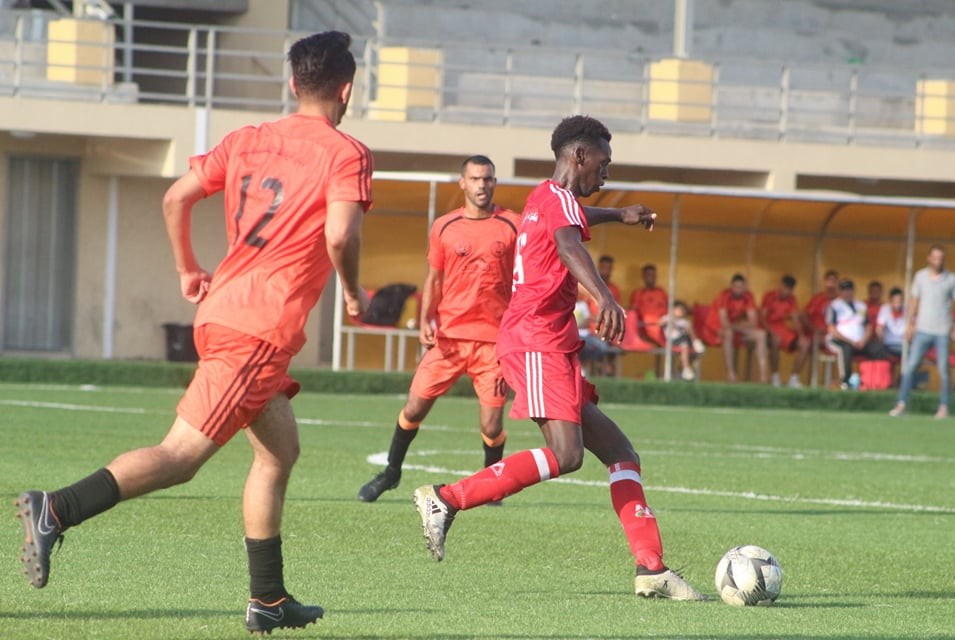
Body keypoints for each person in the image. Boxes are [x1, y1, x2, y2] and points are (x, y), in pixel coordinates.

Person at [14, 31, 371, 635]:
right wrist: (355, 292)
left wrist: (187, 268)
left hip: (226, 314)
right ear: (347, 89)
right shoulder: (347, 153)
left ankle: (268, 599)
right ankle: (57, 508)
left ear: (293, 83)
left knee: (279, 452)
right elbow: (340, 235)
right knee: (180, 458)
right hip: (257, 330)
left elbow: (177, 197)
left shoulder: (246, 139)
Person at [412, 115, 706, 601]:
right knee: (568, 455)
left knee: (622, 455)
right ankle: (447, 498)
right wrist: (604, 297)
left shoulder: (544, 198)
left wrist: (619, 214)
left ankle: (651, 569)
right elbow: (569, 243)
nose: (606, 173)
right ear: (580, 156)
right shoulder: (558, 204)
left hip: (549, 343)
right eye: (603, 163)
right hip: (536, 340)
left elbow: (573, 221)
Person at [356, 155, 518, 502]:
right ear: (463, 183)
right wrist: (425, 320)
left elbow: (527, 278)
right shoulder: (445, 226)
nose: (482, 185)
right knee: (414, 408)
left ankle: (492, 488)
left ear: (494, 182)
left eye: (487, 179)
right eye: (475, 179)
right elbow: (434, 278)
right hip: (448, 338)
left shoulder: (513, 225)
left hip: (493, 343)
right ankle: (391, 473)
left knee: (491, 426)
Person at [890, 245, 955, 418]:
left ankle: (944, 407)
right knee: (910, 366)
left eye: (941, 258)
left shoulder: (951, 279)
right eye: (935, 258)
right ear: (928, 258)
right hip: (922, 329)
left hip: (942, 330)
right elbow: (914, 301)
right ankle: (902, 403)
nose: (938, 261)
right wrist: (909, 324)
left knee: (943, 369)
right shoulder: (920, 276)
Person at [701, 273, 769, 383]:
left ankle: (763, 375)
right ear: (731, 286)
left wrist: (737, 326)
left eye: (741, 287)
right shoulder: (724, 296)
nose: (738, 290)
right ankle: (731, 374)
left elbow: (753, 322)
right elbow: (724, 322)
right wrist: (741, 325)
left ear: (745, 287)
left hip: (735, 327)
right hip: (715, 328)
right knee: (728, 333)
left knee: (761, 334)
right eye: (736, 287)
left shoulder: (748, 296)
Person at [825, 279, 889, 389]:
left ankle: (875, 382)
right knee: (845, 349)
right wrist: (850, 341)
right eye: (844, 290)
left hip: (860, 341)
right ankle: (846, 382)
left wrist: (864, 340)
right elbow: (831, 329)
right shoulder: (834, 306)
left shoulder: (861, 305)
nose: (847, 292)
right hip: (840, 340)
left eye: (849, 290)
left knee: (878, 349)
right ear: (840, 291)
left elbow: (868, 326)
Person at [760, 275, 811, 388]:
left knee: (805, 343)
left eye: (790, 289)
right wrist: (771, 332)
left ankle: (794, 378)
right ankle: (775, 376)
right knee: (776, 340)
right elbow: (762, 318)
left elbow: (795, 318)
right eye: (785, 287)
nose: (786, 291)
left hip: (783, 330)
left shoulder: (792, 299)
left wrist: (801, 335)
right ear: (781, 286)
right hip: (768, 329)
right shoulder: (769, 296)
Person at [660, 300, 704, 381]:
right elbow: (660, 323)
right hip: (673, 340)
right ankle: (686, 369)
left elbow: (688, 331)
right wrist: (670, 321)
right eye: (679, 309)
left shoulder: (685, 322)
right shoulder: (667, 317)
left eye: (683, 310)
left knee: (688, 342)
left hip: (685, 340)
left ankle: (695, 343)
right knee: (685, 344)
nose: (682, 311)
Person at [629, 263, 669, 346]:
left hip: (663, 326)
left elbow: (669, 308)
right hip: (644, 327)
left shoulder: (661, 292)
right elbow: (633, 311)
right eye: (648, 275)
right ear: (643, 276)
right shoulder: (638, 293)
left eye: (653, 275)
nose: (650, 277)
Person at [801, 269, 839, 343]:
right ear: (825, 282)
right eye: (829, 280)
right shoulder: (818, 298)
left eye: (834, 281)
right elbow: (805, 314)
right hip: (815, 333)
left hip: (832, 333)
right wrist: (813, 328)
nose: (831, 284)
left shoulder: (840, 301)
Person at [875, 286, 906, 359]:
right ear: (890, 301)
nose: (897, 304)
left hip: (904, 343)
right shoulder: (885, 309)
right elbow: (879, 328)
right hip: (890, 344)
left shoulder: (907, 309)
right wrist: (881, 337)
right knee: (910, 352)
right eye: (895, 302)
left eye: (900, 301)